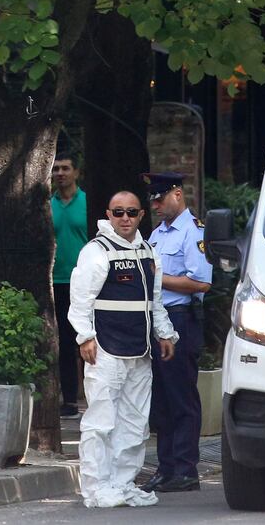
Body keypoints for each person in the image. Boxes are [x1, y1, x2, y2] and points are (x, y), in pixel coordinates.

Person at [68, 190, 179, 508]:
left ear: (141, 215)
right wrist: (85, 337)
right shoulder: (96, 251)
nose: (125, 218)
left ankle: (121, 482)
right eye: (118, 213)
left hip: (140, 351)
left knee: (134, 422)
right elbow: (80, 300)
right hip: (106, 349)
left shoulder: (148, 252)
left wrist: (165, 334)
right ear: (108, 214)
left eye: (131, 212)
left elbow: (154, 301)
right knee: (100, 420)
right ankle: (95, 487)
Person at [139, 173, 212, 493]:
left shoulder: (193, 232)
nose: (154, 205)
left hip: (181, 319)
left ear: (177, 195)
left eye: (159, 199)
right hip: (158, 319)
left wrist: (158, 276)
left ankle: (185, 468)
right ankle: (166, 468)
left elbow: (201, 283)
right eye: (151, 200)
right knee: (162, 401)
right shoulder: (157, 234)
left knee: (181, 397)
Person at [50, 152, 87, 419]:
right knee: (63, 342)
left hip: (85, 282)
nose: (60, 173)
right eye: (56, 169)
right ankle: (70, 400)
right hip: (57, 280)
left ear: (75, 172)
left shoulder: (87, 202)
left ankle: (93, 397)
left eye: (65, 168)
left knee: (87, 339)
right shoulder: (47, 203)